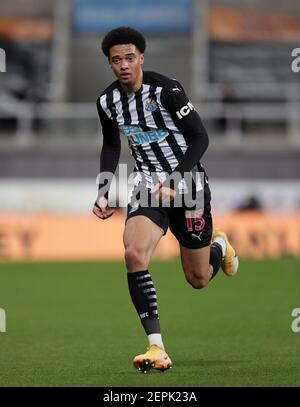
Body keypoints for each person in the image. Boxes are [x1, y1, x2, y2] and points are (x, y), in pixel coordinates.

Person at [92, 27, 238, 373]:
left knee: (198, 278)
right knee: (133, 254)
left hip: (187, 184)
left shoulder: (167, 91)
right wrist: (103, 189)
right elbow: (112, 145)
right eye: (117, 60)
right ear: (110, 65)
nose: (124, 65)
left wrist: (175, 179)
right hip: (146, 185)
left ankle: (219, 247)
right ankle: (156, 347)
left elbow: (200, 139)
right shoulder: (106, 102)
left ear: (141, 57)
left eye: (130, 57)